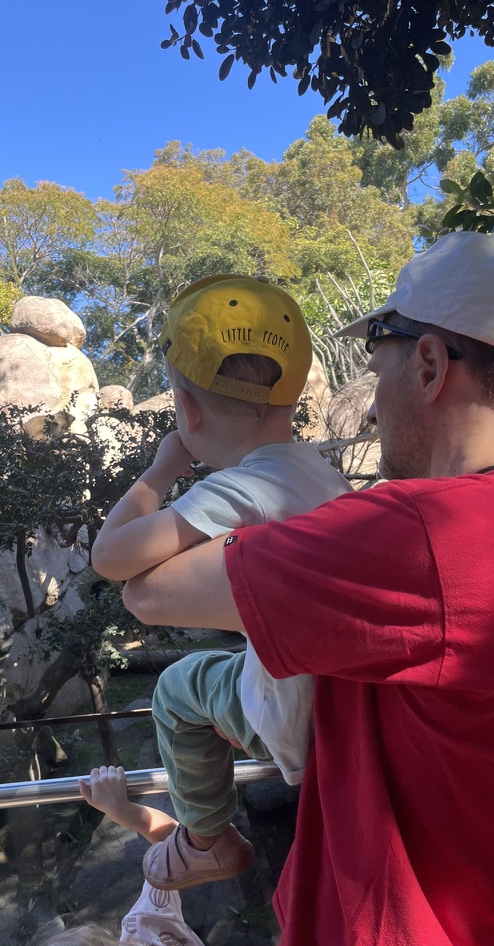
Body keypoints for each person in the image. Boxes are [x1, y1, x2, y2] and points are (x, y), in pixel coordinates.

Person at [121, 231, 494, 946]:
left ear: (427, 364)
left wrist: (200, 472)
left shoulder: (422, 533)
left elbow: (145, 591)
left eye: (379, 354)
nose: (372, 378)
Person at [92, 274, 350, 890]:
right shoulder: (323, 476)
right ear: (294, 400)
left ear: (187, 409)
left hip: (288, 718)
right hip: (344, 710)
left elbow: (112, 558)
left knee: (180, 685)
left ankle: (206, 837)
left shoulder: (240, 488)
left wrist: (161, 469)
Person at [7, 765, 254, 946]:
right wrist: (124, 811)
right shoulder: (146, 929)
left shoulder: (146, 927)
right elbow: (176, 848)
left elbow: (174, 849)